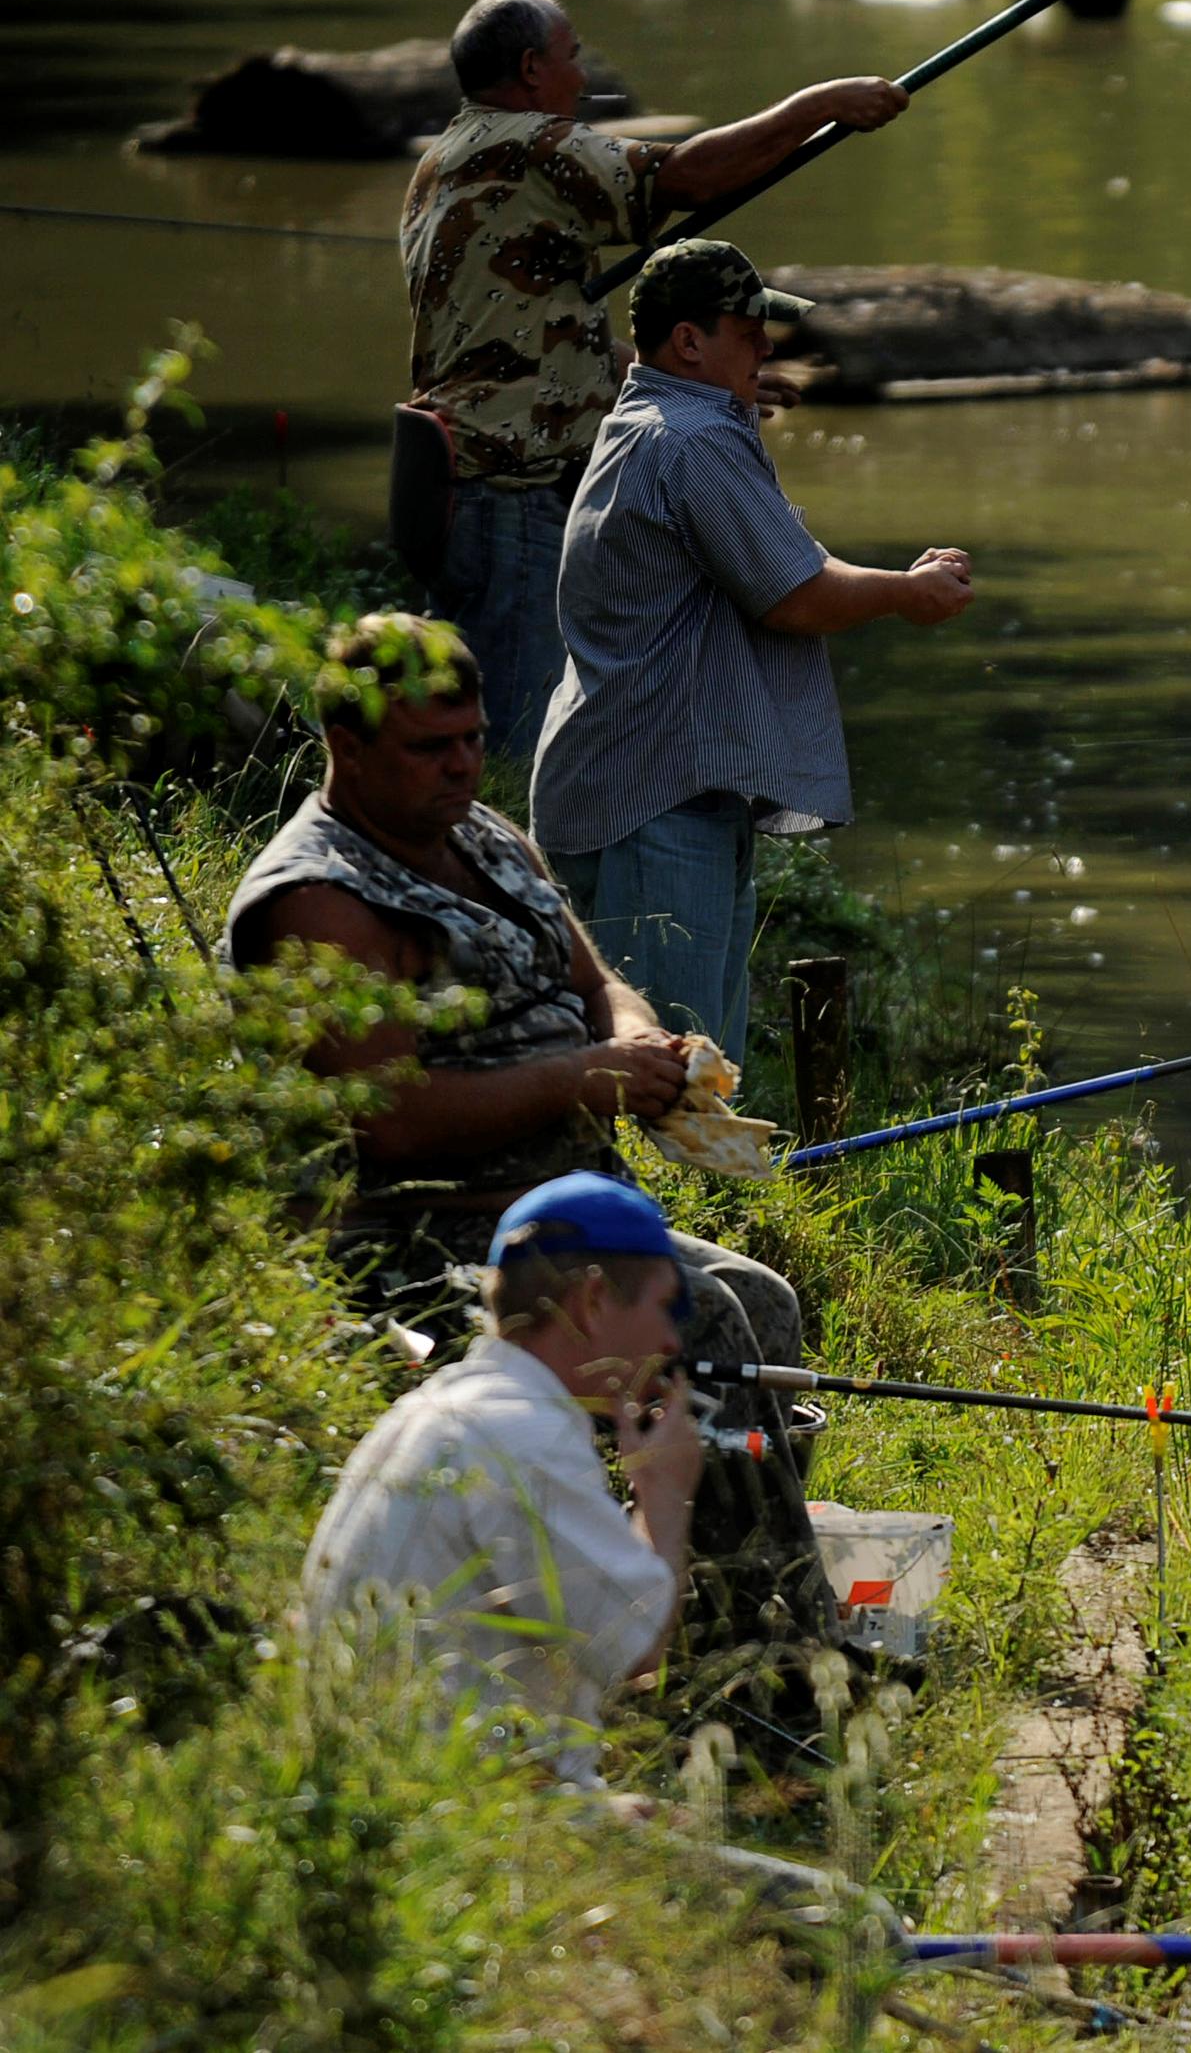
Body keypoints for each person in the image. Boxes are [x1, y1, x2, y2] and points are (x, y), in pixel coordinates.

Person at [223, 614, 837, 1671]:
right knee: (711, 1323)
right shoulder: (316, 901)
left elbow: (594, 981)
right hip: (418, 1237)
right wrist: (578, 1079)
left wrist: (643, 1046)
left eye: (470, 736)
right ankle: (764, 1664)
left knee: (767, 1303)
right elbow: (389, 1119)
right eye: (429, 746)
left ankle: (730, 1606)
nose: (462, 764)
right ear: (349, 746)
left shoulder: (483, 834)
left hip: (559, 1209)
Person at [403, 0, 913, 754]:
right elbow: (685, 178)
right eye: (573, 57)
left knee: (476, 718)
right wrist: (820, 105)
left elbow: (519, 338)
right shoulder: (528, 146)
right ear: (534, 68)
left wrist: (688, 374)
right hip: (513, 491)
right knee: (506, 741)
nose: (584, 76)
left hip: (459, 484)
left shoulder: (443, 162)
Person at [532, 238, 973, 1057]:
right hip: (656, 804)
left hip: (643, 788)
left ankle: (702, 1189)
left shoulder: (653, 419)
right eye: (746, 332)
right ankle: (675, 1191)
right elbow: (798, 596)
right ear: (688, 343)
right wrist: (907, 592)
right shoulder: (695, 443)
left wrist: (733, 396)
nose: (766, 347)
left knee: (692, 1064)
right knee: (674, 1076)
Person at [301, 1173, 701, 1791]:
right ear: (592, 1303)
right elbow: (639, 1652)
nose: (672, 1340)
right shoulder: (526, 1436)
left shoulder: (436, 1408)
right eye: (662, 1306)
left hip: (395, 1796)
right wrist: (665, 1493)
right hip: (454, 1823)